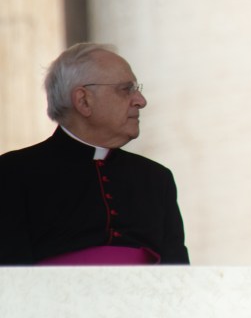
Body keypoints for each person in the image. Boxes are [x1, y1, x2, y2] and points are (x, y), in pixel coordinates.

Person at [0, 43, 188, 265]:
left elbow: (179, 274)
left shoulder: (156, 178)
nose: (141, 101)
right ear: (83, 101)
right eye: (126, 89)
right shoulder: (14, 172)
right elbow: (9, 275)